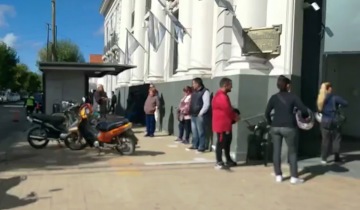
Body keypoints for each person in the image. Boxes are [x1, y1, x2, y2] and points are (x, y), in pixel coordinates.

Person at [265, 75, 308, 184]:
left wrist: (271, 123)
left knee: (276, 151)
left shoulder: (274, 97)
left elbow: (267, 113)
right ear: (287, 85)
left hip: (275, 127)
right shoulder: (293, 97)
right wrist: (305, 116)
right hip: (289, 127)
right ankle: (294, 177)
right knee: (292, 152)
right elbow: (304, 110)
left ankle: (278, 175)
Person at [317, 82, 348, 164]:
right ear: (329, 89)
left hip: (324, 121)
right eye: (331, 87)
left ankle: (323, 158)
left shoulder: (320, 98)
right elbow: (346, 103)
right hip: (334, 121)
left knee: (325, 140)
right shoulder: (335, 98)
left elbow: (319, 110)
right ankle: (336, 157)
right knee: (336, 139)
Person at [212, 78, 240, 169]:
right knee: (221, 143)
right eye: (230, 85)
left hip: (226, 124)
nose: (231, 87)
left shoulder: (223, 95)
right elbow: (227, 109)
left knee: (227, 143)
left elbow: (229, 108)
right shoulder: (221, 96)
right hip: (221, 125)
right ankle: (219, 161)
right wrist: (235, 118)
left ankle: (228, 160)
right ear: (225, 85)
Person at [187, 78, 210, 153]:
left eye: (193, 83)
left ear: (198, 84)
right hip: (193, 114)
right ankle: (195, 145)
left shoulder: (205, 92)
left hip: (200, 115)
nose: (192, 85)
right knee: (194, 131)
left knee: (201, 131)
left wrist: (201, 113)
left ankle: (201, 146)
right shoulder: (194, 92)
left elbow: (206, 104)